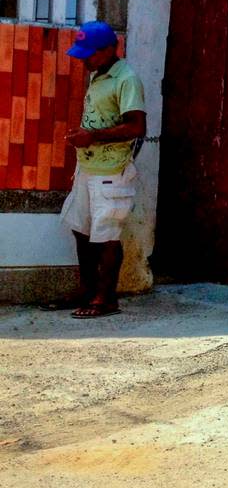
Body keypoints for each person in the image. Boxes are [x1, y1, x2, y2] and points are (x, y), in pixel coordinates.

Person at [58, 21, 146, 319]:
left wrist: (92, 136)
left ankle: (105, 299)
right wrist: (83, 136)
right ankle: (87, 291)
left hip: (111, 170)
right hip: (88, 168)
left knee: (107, 235)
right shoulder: (98, 74)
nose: (84, 60)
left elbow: (136, 126)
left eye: (89, 54)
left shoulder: (127, 79)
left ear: (110, 50)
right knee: (82, 230)